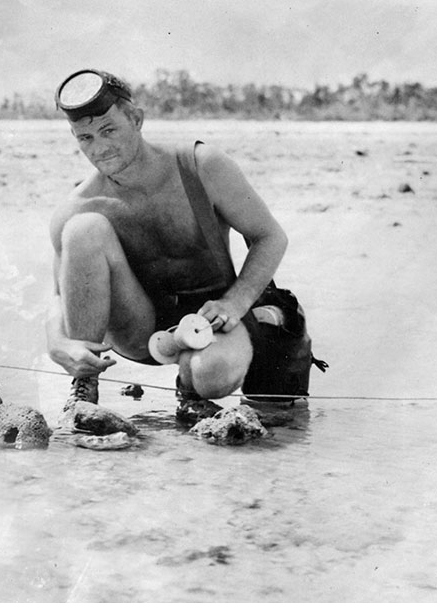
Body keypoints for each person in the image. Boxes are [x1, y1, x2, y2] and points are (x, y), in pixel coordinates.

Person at [45, 69, 321, 424]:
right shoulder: (78, 204)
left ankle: (190, 390)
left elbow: (270, 237)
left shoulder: (201, 165)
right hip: (139, 326)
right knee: (81, 230)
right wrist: (57, 343)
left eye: (109, 130)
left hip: (214, 312)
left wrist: (234, 303)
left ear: (136, 119)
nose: (100, 147)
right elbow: (57, 297)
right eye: (86, 137)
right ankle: (83, 388)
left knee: (211, 375)